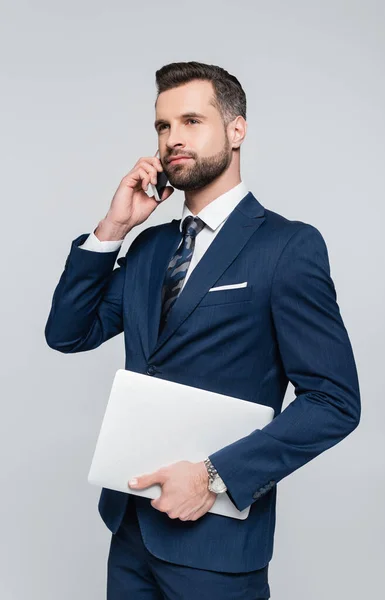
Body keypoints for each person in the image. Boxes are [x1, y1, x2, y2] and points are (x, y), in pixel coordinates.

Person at [45, 61, 361, 599]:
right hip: (130, 531)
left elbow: (334, 402)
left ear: (237, 130)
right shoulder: (149, 248)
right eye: (163, 127)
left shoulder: (287, 248)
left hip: (216, 547)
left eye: (192, 120)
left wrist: (214, 476)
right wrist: (114, 228)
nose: (173, 140)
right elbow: (68, 332)